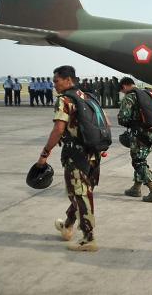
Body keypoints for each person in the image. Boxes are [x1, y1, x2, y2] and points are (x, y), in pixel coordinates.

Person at [36, 65, 100, 251]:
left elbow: (58, 129)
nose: (54, 84)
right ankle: (68, 225)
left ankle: (89, 239)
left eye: (56, 80)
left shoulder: (65, 100)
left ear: (68, 80)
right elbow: (106, 123)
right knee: (80, 192)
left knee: (80, 194)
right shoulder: (88, 97)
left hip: (75, 155)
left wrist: (44, 154)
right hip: (93, 154)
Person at [119, 77, 152, 202]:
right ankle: (136, 188)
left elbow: (123, 117)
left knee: (138, 162)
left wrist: (130, 122)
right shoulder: (147, 93)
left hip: (140, 135)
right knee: (140, 159)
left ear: (124, 86)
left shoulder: (130, 97)